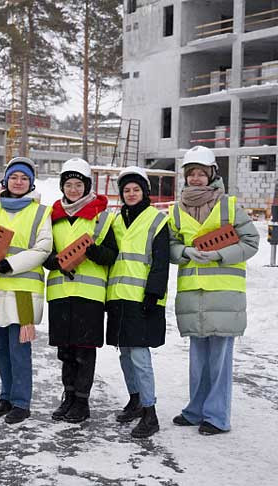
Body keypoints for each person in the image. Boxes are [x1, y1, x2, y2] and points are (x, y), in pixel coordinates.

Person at [168, 145, 259, 435]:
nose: (196, 179)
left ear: (212, 175)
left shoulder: (229, 206)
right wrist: (184, 251)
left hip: (224, 294)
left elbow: (251, 242)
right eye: (191, 173)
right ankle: (196, 410)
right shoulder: (176, 209)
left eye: (201, 174)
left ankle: (217, 417)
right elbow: (168, 246)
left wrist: (220, 255)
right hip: (193, 293)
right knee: (198, 359)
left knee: (219, 359)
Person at [0, 158, 52, 424]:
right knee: (1, 349)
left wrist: (12, 264)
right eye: (14, 177)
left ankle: (21, 401)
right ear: (5, 180)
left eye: (24, 178)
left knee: (19, 348)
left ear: (31, 182)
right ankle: (6, 395)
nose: (18, 182)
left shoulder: (41, 212)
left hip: (23, 289)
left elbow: (43, 249)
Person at [43, 158, 117, 424]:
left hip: (90, 296)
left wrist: (95, 252)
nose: (73, 189)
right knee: (65, 351)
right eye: (69, 184)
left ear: (87, 186)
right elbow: (44, 253)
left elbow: (111, 255)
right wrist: (57, 263)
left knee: (84, 351)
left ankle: (82, 402)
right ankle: (69, 397)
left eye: (78, 184)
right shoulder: (52, 216)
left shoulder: (102, 216)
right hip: (60, 293)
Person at [105, 166, 169, 438]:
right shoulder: (117, 220)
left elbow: (161, 261)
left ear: (145, 192)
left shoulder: (157, 220)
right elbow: (110, 255)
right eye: (127, 190)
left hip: (144, 299)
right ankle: (135, 400)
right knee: (125, 354)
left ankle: (150, 412)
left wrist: (153, 294)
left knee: (140, 356)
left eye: (136, 189)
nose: (131, 194)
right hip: (119, 297)